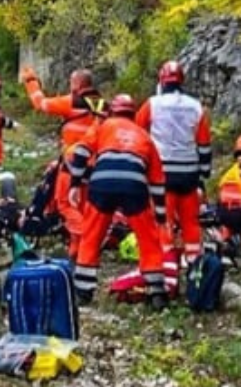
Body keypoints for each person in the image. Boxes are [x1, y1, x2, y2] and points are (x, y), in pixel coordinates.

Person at [67, 94, 168, 311]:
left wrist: (75, 183)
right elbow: (158, 182)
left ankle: (83, 292)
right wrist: (160, 215)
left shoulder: (104, 126)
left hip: (102, 183)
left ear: (112, 111)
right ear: (133, 114)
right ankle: (157, 291)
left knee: (91, 236)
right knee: (148, 239)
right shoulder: (144, 136)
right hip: (134, 185)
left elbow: (81, 151)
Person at [19, 66, 105, 259]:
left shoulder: (71, 102)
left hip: (73, 164)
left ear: (76, 85)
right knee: (82, 208)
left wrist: (31, 81)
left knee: (65, 205)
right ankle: (77, 252)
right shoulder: (102, 105)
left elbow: (40, 103)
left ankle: (88, 238)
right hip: (95, 165)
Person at [136, 60, 212, 266]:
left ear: (162, 80)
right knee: (191, 222)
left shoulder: (152, 104)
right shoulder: (196, 106)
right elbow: (204, 144)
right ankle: (195, 264)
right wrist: (204, 173)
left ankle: (168, 266)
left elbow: (137, 134)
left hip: (162, 173)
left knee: (164, 221)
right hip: (189, 172)